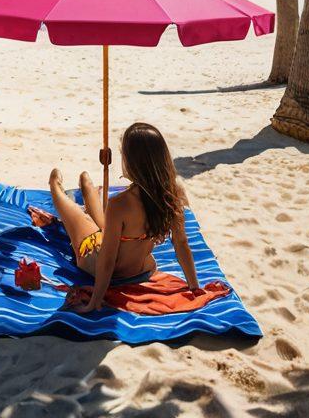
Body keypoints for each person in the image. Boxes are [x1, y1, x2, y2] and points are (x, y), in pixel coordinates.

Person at [42, 121, 202, 312]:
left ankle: (55, 183)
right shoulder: (173, 194)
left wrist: (95, 301)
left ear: (130, 162)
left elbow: (107, 260)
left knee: (77, 217)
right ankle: (86, 184)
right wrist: (194, 287)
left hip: (107, 270)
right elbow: (181, 244)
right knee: (105, 223)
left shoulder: (120, 204)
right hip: (144, 270)